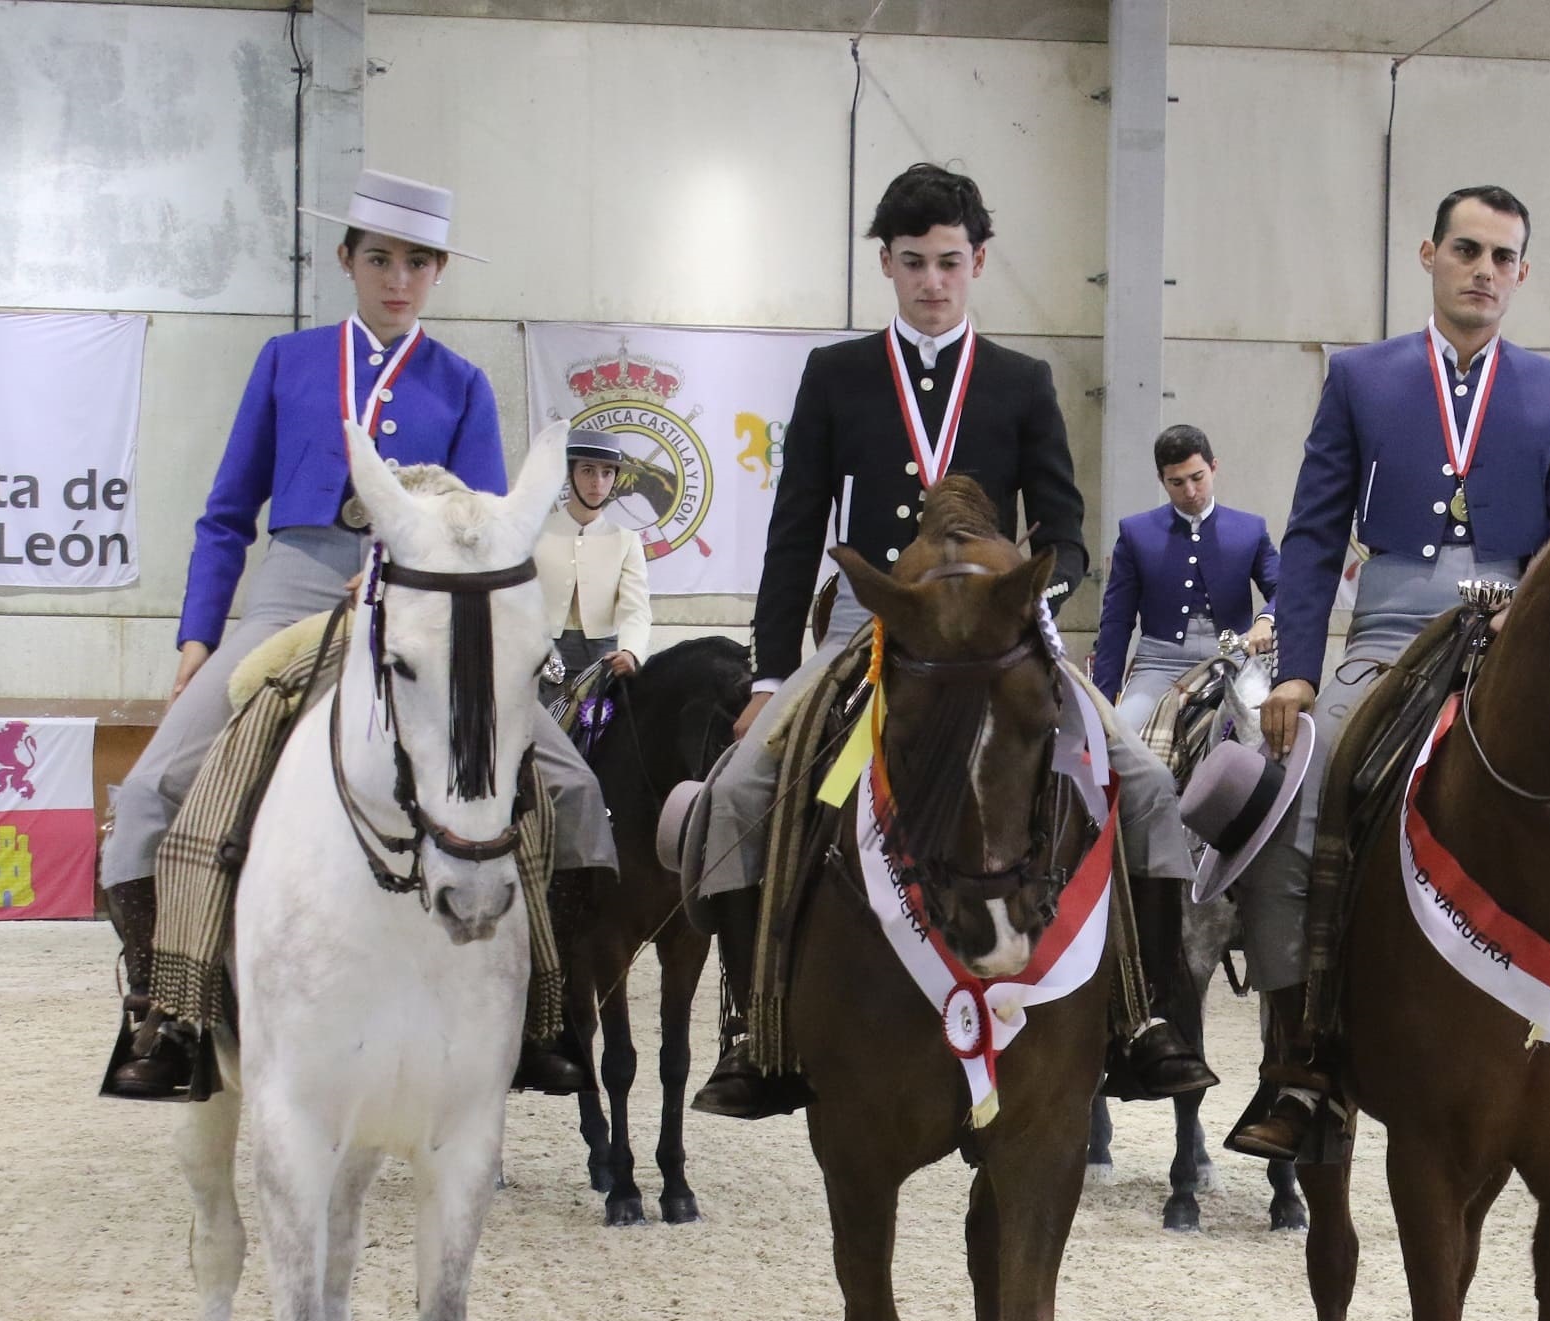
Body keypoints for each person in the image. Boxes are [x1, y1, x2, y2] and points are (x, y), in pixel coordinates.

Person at [1223, 186, 1550, 1160]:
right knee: (1296, 795)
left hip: (1518, 633)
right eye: (1467, 250)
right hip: (1385, 632)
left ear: (1522, 273)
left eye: (1503, 257)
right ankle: (1301, 1058)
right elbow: (1311, 530)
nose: (1483, 270)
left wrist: (1532, 609)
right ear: (1429, 255)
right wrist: (1299, 670)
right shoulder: (1362, 379)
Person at [687, 162, 1211, 1118]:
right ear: (886, 265)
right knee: (736, 796)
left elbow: (1067, 530)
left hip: (1001, 635)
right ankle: (753, 1023)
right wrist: (767, 674)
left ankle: (1145, 1014)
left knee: (1140, 780)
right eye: (915, 263)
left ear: (980, 263)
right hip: (875, 628)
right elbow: (796, 530)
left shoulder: (1020, 381)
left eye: (951, 263)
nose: (934, 281)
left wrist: (1023, 596)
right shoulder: (837, 375)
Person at [98, 169, 606, 1099]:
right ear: (348, 260)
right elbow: (225, 514)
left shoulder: (460, 384)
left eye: (417, 262)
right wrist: (197, 638)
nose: (397, 279)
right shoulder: (287, 361)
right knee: (148, 792)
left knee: (573, 787)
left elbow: (485, 533)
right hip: (291, 592)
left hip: (422, 600)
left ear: (438, 271)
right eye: (379, 258)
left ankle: (547, 1011)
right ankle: (166, 1010)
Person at [1093, 424, 1280, 735]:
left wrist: (1266, 619)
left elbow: (1286, 589)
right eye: (1176, 483)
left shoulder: (1250, 529)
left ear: (1214, 467)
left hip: (1231, 657)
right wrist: (1101, 699)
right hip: (1159, 663)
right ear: (1161, 480)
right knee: (1120, 741)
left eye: (1197, 478)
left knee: (1264, 734)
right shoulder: (1135, 533)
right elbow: (1116, 620)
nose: (1190, 492)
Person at [537, 424, 653, 689]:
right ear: (569, 473)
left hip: (606, 656)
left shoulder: (625, 540)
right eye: (588, 470)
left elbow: (635, 608)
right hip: (541, 656)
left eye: (607, 472)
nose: (597, 483)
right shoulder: (535, 535)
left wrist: (630, 651)